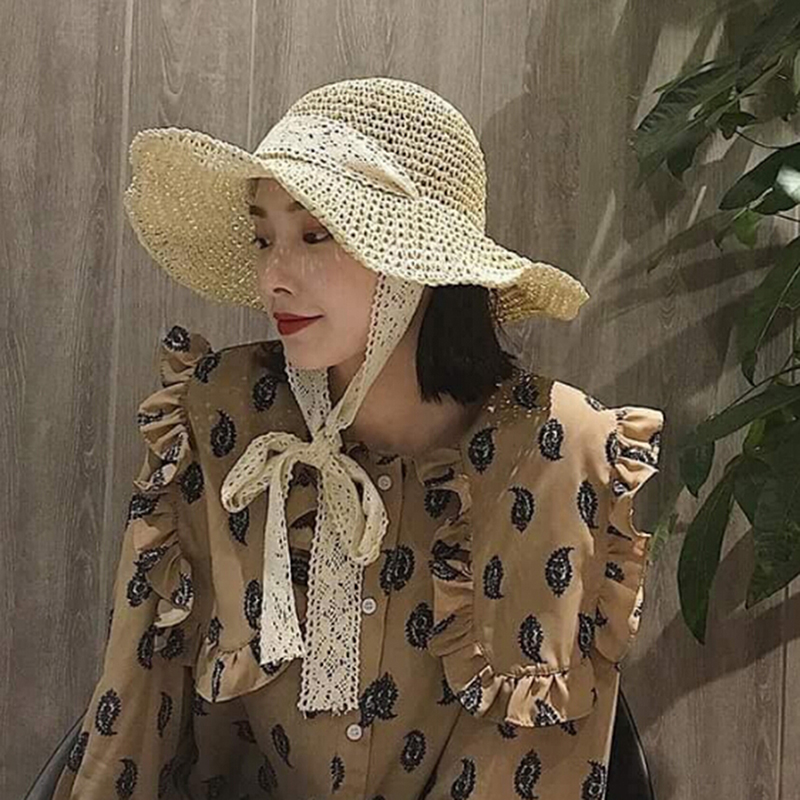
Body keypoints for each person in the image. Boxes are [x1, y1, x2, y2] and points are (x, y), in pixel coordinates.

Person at [52, 76, 665, 799]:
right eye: (262, 237)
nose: (273, 277)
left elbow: (537, 760)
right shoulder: (221, 415)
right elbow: (139, 699)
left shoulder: (562, 450)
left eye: (316, 234)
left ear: (421, 263)